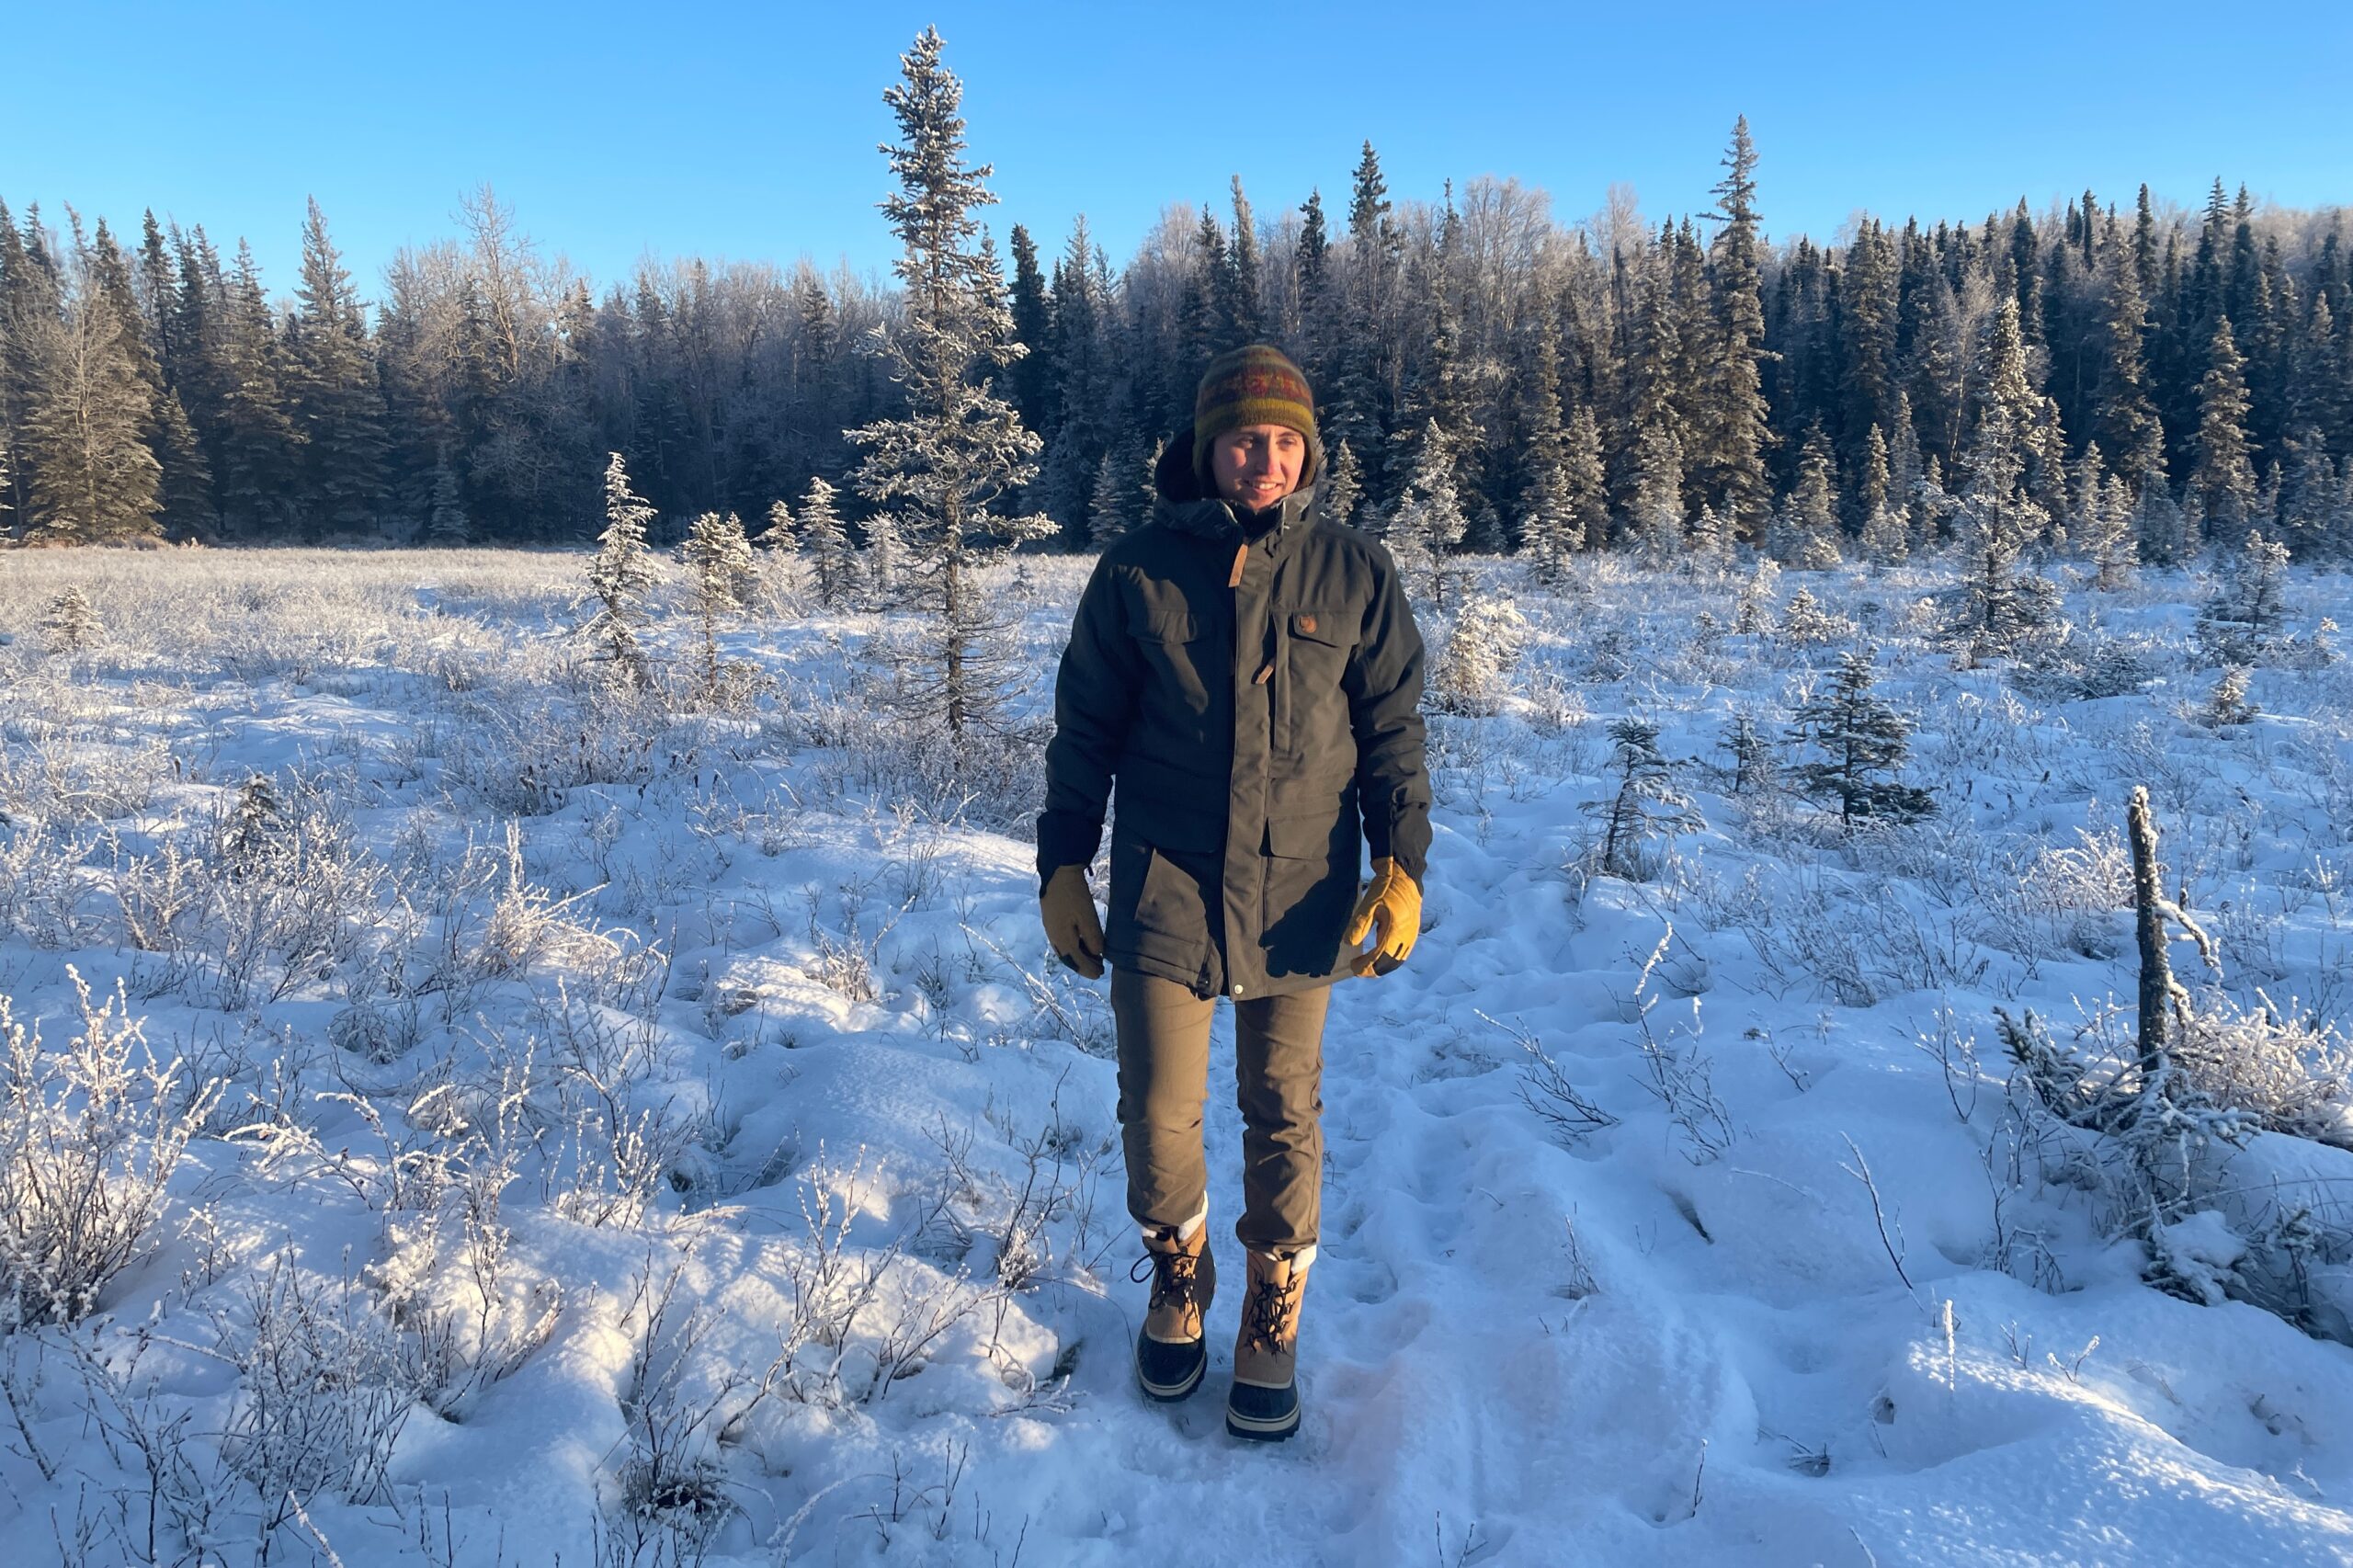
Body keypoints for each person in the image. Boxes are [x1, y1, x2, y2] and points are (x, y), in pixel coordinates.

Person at [1035, 344, 1432, 1442]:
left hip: (1303, 886)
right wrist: (1062, 858)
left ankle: (1272, 1303)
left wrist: (1401, 865)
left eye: (1283, 440)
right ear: (1204, 447)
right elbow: (1087, 730)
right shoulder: (1135, 570)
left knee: (1280, 1103)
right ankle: (1179, 1273)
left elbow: (1393, 733)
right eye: (1242, 438)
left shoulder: (1356, 572)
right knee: (1158, 1104)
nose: (1262, 458)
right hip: (1165, 882)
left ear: (1308, 451)